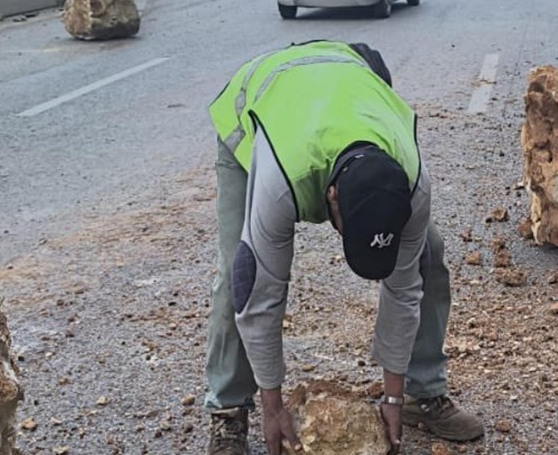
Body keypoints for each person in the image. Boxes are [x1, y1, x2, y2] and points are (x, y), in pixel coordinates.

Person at [203, 41, 484, 455]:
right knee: (238, 276)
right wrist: (273, 404)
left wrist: (391, 394)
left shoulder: (412, 179)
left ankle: (420, 395)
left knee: (426, 256)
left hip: (343, 89)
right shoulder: (282, 177)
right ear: (330, 197)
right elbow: (260, 296)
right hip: (256, 117)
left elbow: (403, 290)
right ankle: (228, 411)